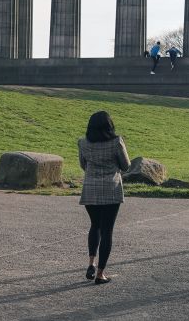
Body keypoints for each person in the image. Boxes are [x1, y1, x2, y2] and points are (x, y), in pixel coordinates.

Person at [78, 110, 132, 285]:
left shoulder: (83, 143)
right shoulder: (116, 142)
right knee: (107, 230)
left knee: (95, 226)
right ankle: (100, 274)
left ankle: (91, 263)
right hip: (111, 189)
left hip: (90, 188)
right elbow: (126, 165)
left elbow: (83, 165)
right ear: (109, 126)